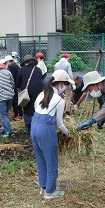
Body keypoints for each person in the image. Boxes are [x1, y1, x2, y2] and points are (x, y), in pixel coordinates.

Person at [31, 69, 74, 199]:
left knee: (41, 159)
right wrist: (70, 134)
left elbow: (36, 110)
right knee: (51, 161)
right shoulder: (59, 101)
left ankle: (43, 186)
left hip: (34, 127)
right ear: (60, 84)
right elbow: (59, 124)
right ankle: (50, 192)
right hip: (46, 131)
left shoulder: (41, 94)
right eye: (66, 85)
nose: (65, 88)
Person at [16, 55, 44, 134]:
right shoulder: (38, 70)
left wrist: (19, 91)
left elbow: (17, 83)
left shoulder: (21, 70)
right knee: (37, 108)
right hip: (39, 92)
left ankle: (29, 128)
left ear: (25, 62)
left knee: (27, 109)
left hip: (27, 91)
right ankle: (37, 126)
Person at [5, 55, 23, 121]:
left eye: (6, 62)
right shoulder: (16, 65)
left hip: (15, 86)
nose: (6, 64)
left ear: (8, 61)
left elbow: (12, 77)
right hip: (18, 85)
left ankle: (19, 114)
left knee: (15, 101)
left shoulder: (12, 66)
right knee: (16, 100)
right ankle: (17, 114)